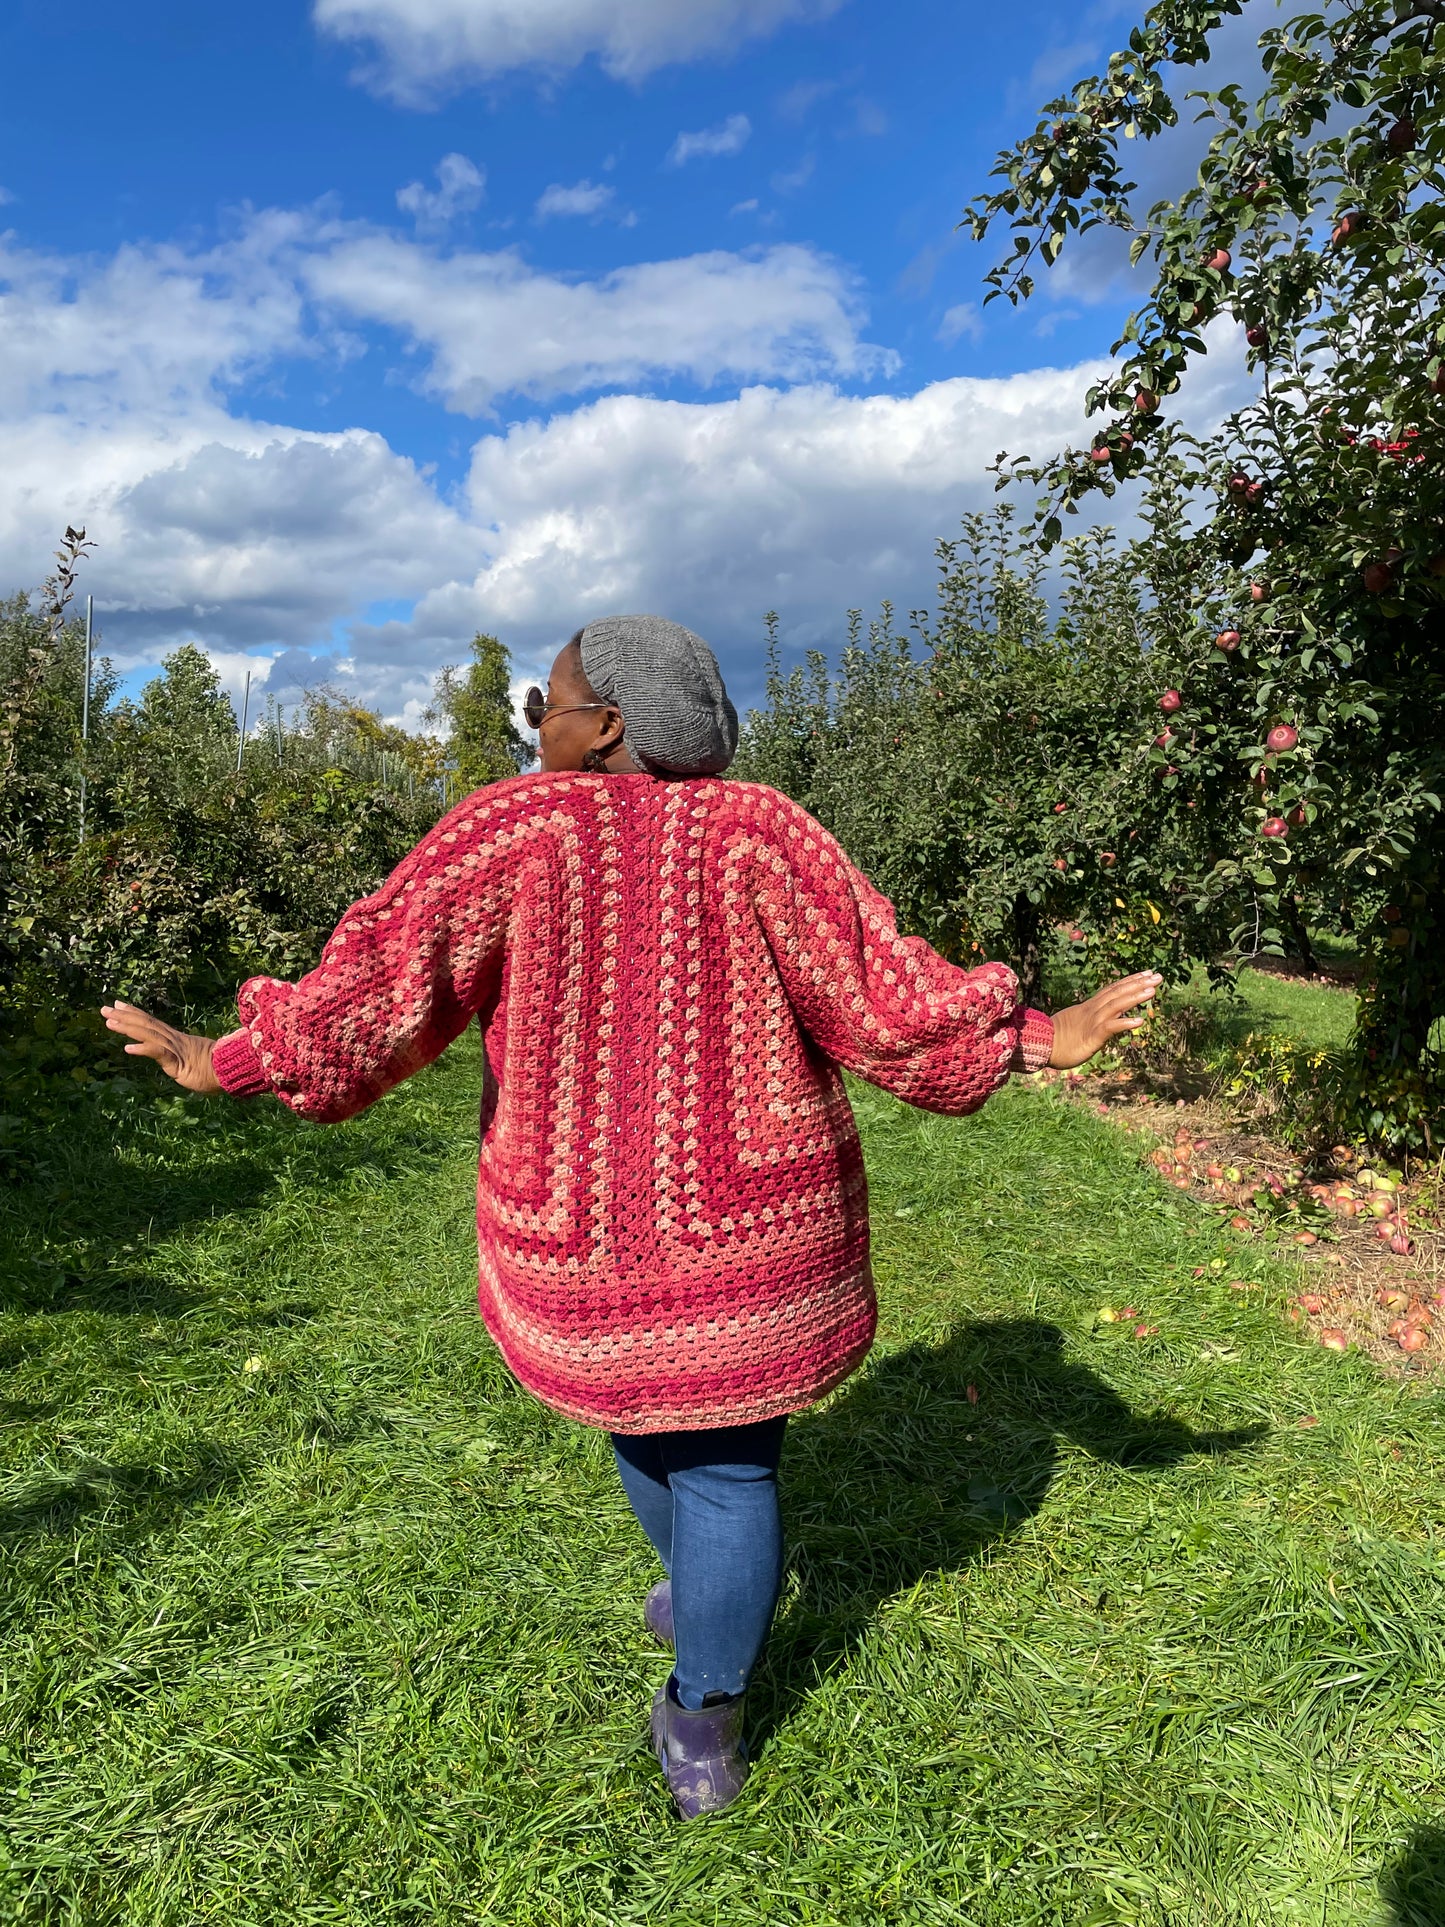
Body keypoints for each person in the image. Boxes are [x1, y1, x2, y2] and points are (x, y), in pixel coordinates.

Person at [102, 614, 1161, 1819]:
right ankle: (709, 1645)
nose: (532, 724)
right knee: (715, 1459)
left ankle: (702, 1695)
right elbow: (881, 988)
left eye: (541, 704)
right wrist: (1034, 1037)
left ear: (604, 724)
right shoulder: (765, 830)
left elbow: (387, 982)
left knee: (674, 1444)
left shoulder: (506, 831)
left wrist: (231, 1058)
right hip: (759, 1228)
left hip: (574, 1233)